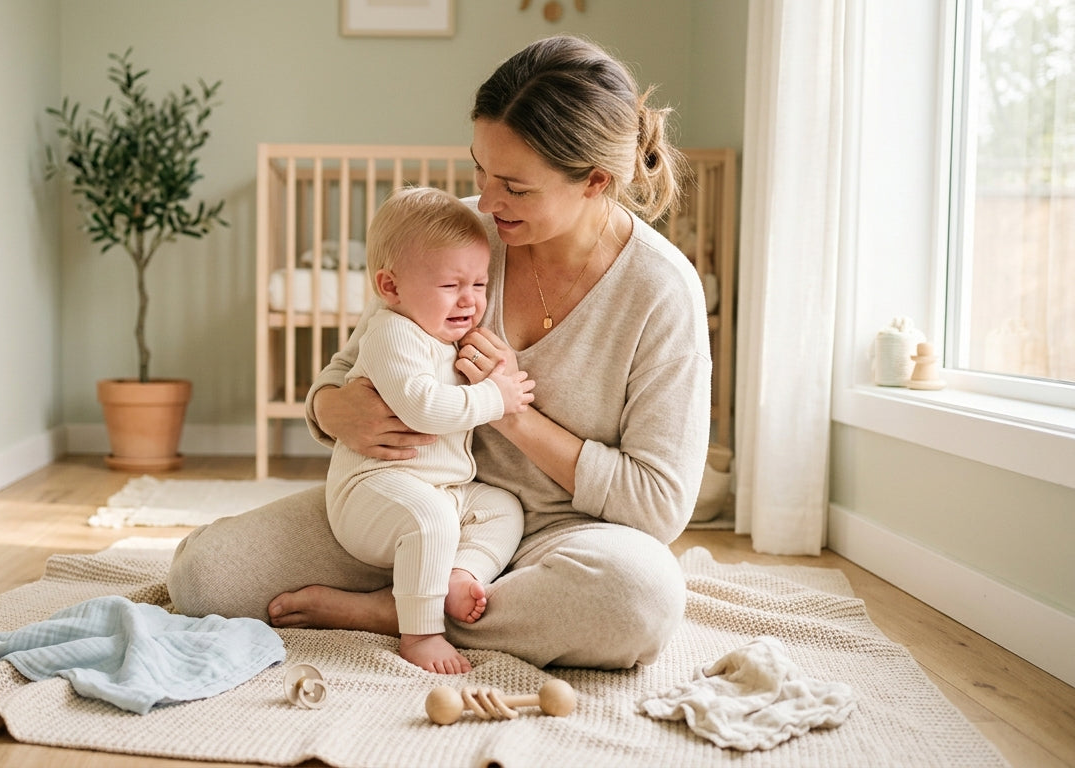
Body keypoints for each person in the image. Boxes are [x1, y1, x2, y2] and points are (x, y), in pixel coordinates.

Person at [169, 34, 710, 671]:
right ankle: (432, 596)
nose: (485, 200)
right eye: (479, 169)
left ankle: (397, 611)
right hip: (411, 500)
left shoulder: (660, 291)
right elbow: (352, 364)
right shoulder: (455, 234)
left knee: (637, 602)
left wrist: (513, 415)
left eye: (514, 186)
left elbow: (656, 505)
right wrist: (330, 409)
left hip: (568, 535)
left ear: (595, 182)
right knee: (204, 579)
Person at [326, 186, 535, 674]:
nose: (469, 300)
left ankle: (460, 575)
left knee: (503, 509)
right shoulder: (392, 333)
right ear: (391, 287)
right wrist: (494, 397)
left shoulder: (443, 333)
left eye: (480, 285)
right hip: (371, 492)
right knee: (430, 522)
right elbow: (423, 408)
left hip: (441, 488)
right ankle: (420, 632)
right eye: (450, 287)